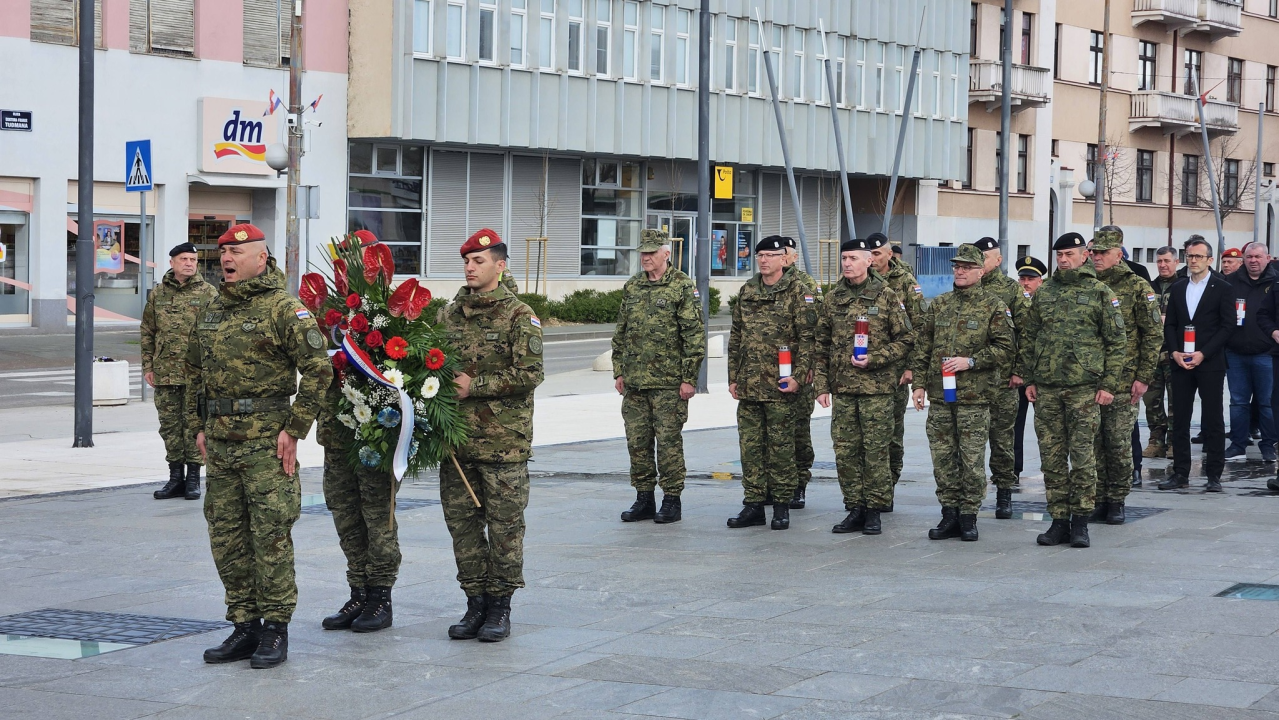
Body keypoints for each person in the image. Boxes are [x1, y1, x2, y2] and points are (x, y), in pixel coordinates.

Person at [185, 223, 333, 669]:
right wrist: (198, 425)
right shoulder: (211, 311)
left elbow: (319, 370)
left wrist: (295, 429)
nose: (226, 258)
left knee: (269, 535)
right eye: (223, 251)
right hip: (222, 445)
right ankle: (244, 625)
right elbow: (194, 372)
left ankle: (275, 628)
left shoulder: (285, 309)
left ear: (261, 258)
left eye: (237, 251)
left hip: (267, 443)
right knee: (226, 537)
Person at [439, 229, 544, 643]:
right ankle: (474, 603)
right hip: (456, 442)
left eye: (478, 261)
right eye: (466, 261)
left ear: (500, 266)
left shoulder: (520, 315)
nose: (469, 267)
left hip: (503, 443)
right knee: (462, 528)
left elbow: (530, 373)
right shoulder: (447, 315)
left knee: (504, 529)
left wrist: (475, 385)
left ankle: (500, 606)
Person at [1014, 232, 1124, 549]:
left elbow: (1117, 343)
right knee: (1051, 459)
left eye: (1069, 254)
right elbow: (1030, 337)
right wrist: (1030, 378)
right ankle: (1058, 521)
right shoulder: (1045, 293)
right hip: (1047, 390)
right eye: (1059, 255)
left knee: (1083, 459)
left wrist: (1108, 385)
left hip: (1084, 391)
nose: (1063, 260)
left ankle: (1080, 523)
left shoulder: (1100, 293)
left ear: (1084, 255)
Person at [318, 230, 401, 635]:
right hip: (335, 432)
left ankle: (380, 597)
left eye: (360, 259)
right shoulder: (327, 310)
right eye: (344, 259)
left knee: (376, 515)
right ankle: (357, 591)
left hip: (374, 434)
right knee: (345, 513)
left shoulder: (392, 310)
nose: (349, 267)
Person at [910, 244, 1014, 542]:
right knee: (943, 458)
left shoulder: (993, 305)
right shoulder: (940, 304)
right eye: (957, 266)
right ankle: (949, 513)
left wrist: (971, 361)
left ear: (981, 271)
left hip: (974, 397)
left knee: (970, 459)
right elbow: (923, 347)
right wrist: (918, 385)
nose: (960, 270)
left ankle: (969, 515)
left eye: (967, 267)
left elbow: (1005, 348)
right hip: (942, 397)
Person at [814, 238, 913, 536]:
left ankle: (874, 510)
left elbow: (906, 339)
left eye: (853, 258)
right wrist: (821, 385)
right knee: (845, 451)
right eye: (844, 258)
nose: (846, 263)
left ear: (868, 261)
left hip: (877, 389)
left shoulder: (885, 295)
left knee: (875, 451)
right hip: (843, 389)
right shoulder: (833, 297)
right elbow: (820, 344)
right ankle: (854, 507)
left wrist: (876, 359)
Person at [613, 229, 705, 524]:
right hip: (636, 383)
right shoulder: (633, 286)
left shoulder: (681, 287)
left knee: (668, 444)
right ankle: (644, 498)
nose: (646, 257)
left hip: (668, 384)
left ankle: (671, 499)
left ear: (667, 254)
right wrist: (619, 371)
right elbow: (621, 332)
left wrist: (689, 378)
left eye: (652, 252)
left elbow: (694, 335)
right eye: (643, 252)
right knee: (637, 443)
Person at [727, 236, 816, 531]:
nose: (763, 260)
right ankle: (753, 505)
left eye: (770, 255)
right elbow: (736, 336)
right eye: (760, 255)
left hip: (781, 387)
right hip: (750, 385)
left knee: (780, 449)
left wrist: (799, 377)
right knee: (750, 450)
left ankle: (781, 506)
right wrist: (733, 377)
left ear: (784, 259)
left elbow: (808, 339)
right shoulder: (748, 290)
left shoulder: (798, 291)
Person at [1089, 229, 1162, 525]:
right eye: (1094, 252)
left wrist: (1144, 377)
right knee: (1092, 444)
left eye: (1103, 253)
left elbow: (1153, 334)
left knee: (1118, 444)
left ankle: (1117, 499)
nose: (1096, 257)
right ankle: (1097, 498)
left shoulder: (1136, 286)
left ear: (1118, 254)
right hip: (1090, 379)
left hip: (1123, 381)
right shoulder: (1086, 283)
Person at [141, 242, 217, 501]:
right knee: (170, 427)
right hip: (165, 373)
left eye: (193, 260)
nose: (189, 263)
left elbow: (217, 333)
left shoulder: (208, 293)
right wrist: (148, 365)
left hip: (196, 374)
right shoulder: (158, 294)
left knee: (194, 426)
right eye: (184, 259)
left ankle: (194, 479)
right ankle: (175, 478)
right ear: (172, 262)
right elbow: (147, 331)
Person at [1159, 236, 1235, 492]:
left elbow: (1227, 326)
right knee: (1179, 418)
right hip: (1181, 361)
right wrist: (1175, 352)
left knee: (1212, 419)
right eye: (1190, 256)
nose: (1193, 261)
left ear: (1209, 260)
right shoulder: (1179, 288)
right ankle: (1180, 473)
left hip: (1210, 362)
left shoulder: (1222, 287)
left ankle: (1213, 475)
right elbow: (1170, 324)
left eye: (1198, 256)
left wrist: (1204, 353)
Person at [973, 237, 1031, 519]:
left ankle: (1005, 492)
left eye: (985, 257)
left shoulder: (1011, 290)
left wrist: (1020, 370)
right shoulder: (966, 287)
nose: (980, 262)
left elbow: (1026, 331)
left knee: (1002, 440)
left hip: (1002, 379)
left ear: (998, 260)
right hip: (971, 380)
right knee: (971, 440)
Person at [867, 232, 924, 507]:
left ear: (889, 255)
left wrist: (912, 367)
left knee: (891, 430)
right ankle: (865, 490)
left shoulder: (905, 283)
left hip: (895, 371)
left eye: (878, 254)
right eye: (870, 254)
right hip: (862, 371)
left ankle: (887, 485)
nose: (873, 259)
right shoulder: (858, 281)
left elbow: (919, 326)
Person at [1224, 242, 1278, 462]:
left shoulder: (1275, 282)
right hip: (1235, 352)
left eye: (1257, 256)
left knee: (1267, 402)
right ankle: (1238, 444)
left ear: (1267, 258)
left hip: (1267, 353)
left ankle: (1268, 445)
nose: (1253, 261)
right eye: (1249, 257)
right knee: (1238, 402)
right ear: (1243, 259)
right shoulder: (1230, 282)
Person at [780, 236, 822, 510]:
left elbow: (816, 332)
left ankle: (798, 484)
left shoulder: (805, 286)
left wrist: (808, 369)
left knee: (797, 432)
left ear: (794, 257)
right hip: (766, 374)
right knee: (771, 434)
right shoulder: (759, 286)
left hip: (799, 371)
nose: (778, 259)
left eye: (784, 254)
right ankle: (775, 485)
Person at [1012, 255, 1048, 481]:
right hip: (1019, 374)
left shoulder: (1046, 304)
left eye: (1030, 279)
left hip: (1042, 375)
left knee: (1046, 428)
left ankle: (1051, 472)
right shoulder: (1013, 303)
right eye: (1022, 278)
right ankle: (1014, 470)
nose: (1025, 283)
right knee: (1014, 425)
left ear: (1040, 282)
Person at [1142, 246, 1179, 460]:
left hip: (1173, 352)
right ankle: (1156, 440)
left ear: (1176, 262)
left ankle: (1174, 441)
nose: (1163, 265)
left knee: (1176, 399)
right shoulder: (1149, 287)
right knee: (1152, 400)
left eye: (1167, 261)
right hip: (1152, 353)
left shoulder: (1182, 286)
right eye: (1159, 261)